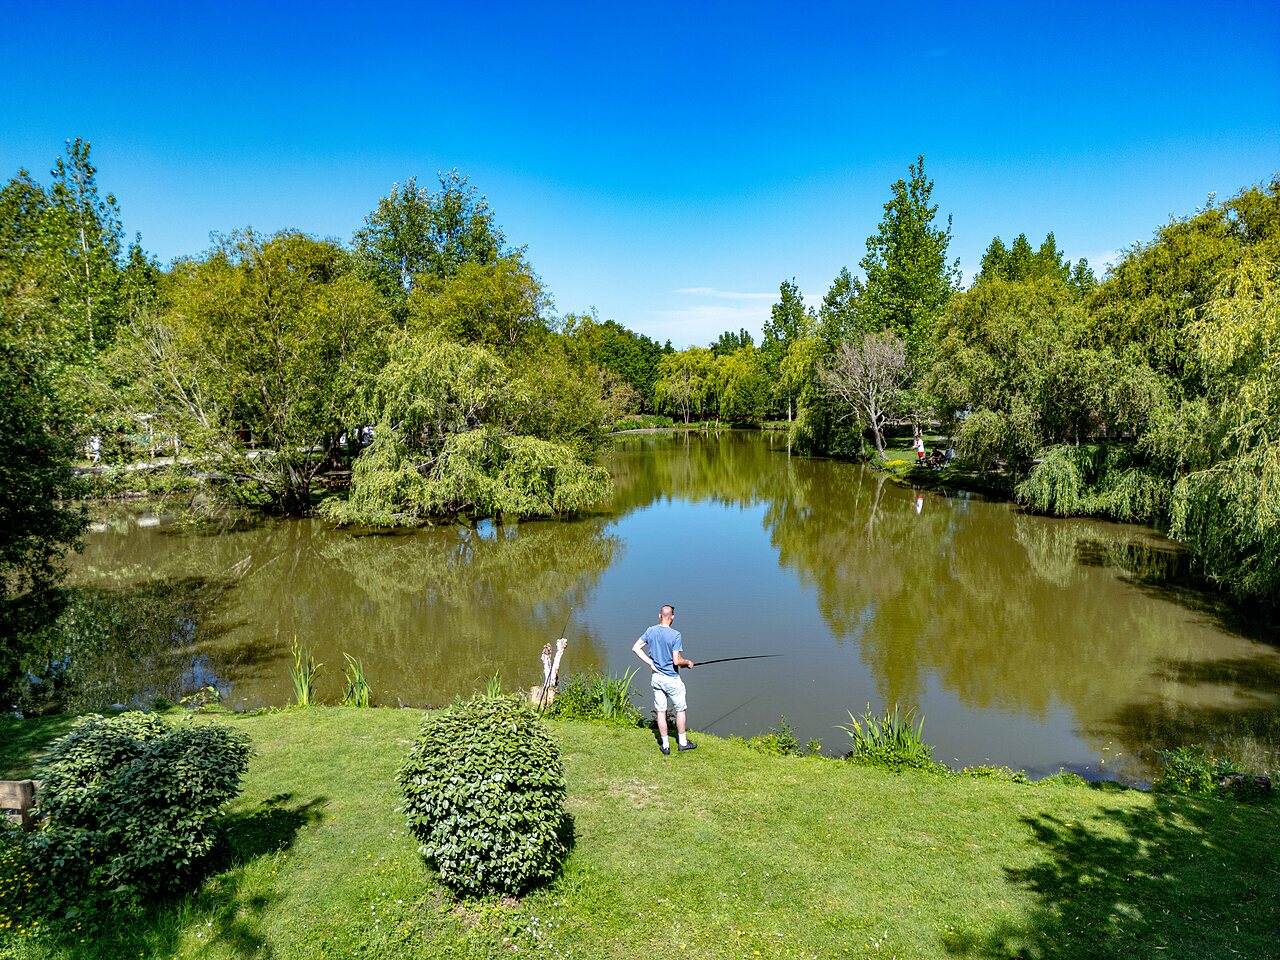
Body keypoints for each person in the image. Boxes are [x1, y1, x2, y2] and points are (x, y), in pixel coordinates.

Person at [632, 604, 696, 756]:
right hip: (672, 679)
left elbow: (635, 648)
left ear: (659, 615)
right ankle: (682, 743)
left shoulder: (651, 631)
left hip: (657, 678)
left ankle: (665, 745)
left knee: (661, 711)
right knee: (680, 710)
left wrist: (650, 663)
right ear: (672, 617)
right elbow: (676, 661)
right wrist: (688, 662)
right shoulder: (675, 635)